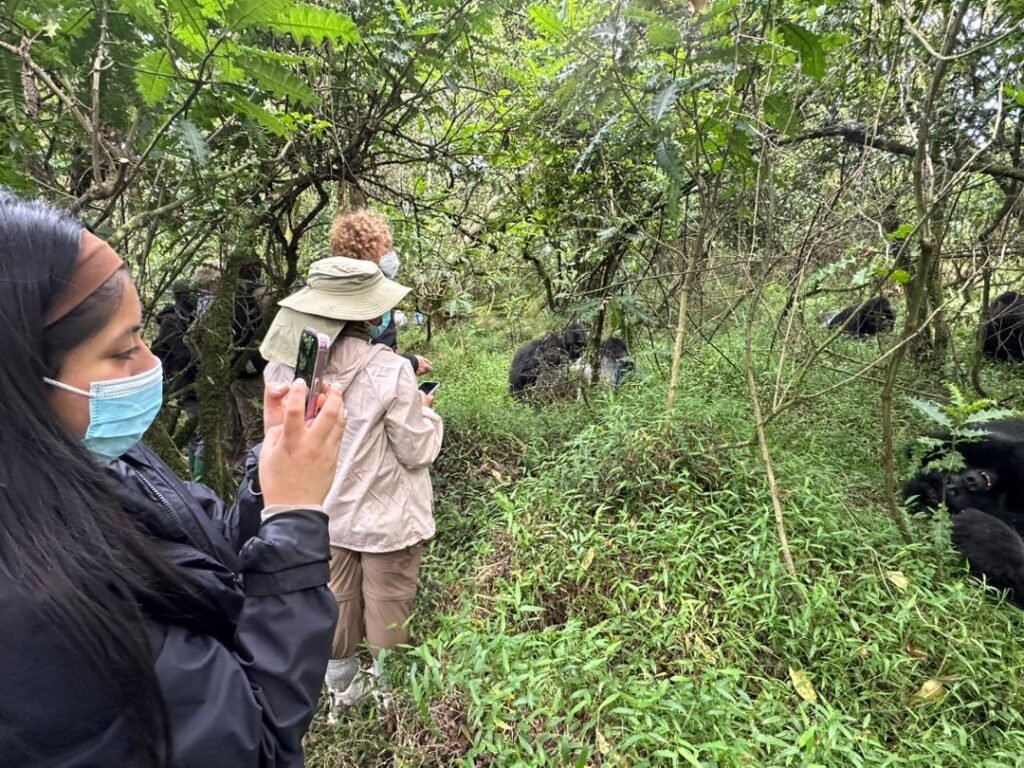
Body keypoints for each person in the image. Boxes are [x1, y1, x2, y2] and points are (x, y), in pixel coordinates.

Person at [0, 193, 346, 767]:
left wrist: (269, 484)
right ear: (19, 382)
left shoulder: (99, 455)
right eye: (121, 351)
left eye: (142, 336)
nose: (150, 363)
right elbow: (252, 747)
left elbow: (201, 548)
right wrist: (294, 522)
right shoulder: (37, 615)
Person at [260, 257, 443, 721]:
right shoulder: (389, 369)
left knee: (337, 603)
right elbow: (416, 449)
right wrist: (428, 412)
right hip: (386, 520)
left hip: (320, 513)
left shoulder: (285, 369)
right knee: (389, 607)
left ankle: (343, 689)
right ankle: (393, 703)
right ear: (366, 314)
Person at [328, 209, 433, 375]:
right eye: (386, 246)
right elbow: (361, 363)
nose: (392, 253)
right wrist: (410, 363)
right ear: (367, 252)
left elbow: (382, 350)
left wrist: (404, 361)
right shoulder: (350, 301)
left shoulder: (380, 292)